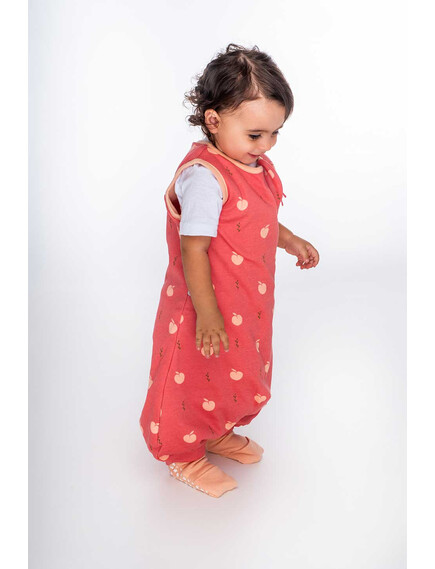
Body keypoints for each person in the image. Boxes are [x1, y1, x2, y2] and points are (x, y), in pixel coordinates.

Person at [139, 43, 320, 498]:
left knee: (232, 368)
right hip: (205, 303)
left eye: (275, 134)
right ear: (214, 120)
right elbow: (194, 248)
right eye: (256, 134)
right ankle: (181, 451)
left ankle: (216, 429)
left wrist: (289, 239)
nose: (267, 146)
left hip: (245, 299)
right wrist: (207, 314)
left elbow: (255, 217)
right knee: (191, 371)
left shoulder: (249, 163)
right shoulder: (205, 178)